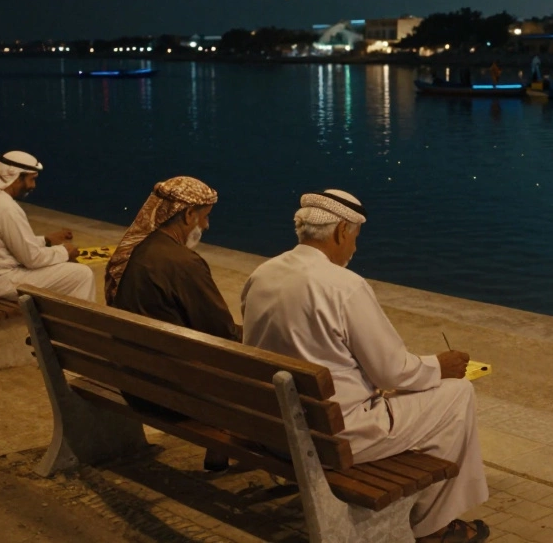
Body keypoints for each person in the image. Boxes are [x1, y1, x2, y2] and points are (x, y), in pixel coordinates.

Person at [242, 191, 489, 543]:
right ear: (342, 230)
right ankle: (433, 527)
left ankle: (426, 512)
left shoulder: (262, 274)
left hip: (274, 428)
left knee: (424, 397)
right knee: (457, 394)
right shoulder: (344, 286)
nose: (354, 249)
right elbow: (394, 371)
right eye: (355, 237)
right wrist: (440, 365)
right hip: (334, 437)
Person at [105, 176, 239, 472]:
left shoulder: (133, 252)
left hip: (133, 382)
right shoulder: (182, 263)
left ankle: (218, 453)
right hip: (170, 395)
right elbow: (222, 333)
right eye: (204, 218)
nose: (205, 227)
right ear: (188, 214)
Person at [0, 152, 94, 301]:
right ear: (16, 177)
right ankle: (78, 323)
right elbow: (32, 259)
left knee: (63, 267)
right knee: (81, 274)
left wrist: (45, 240)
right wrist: (64, 251)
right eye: (31, 179)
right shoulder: (6, 208)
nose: (33, 186)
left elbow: (5, 243)